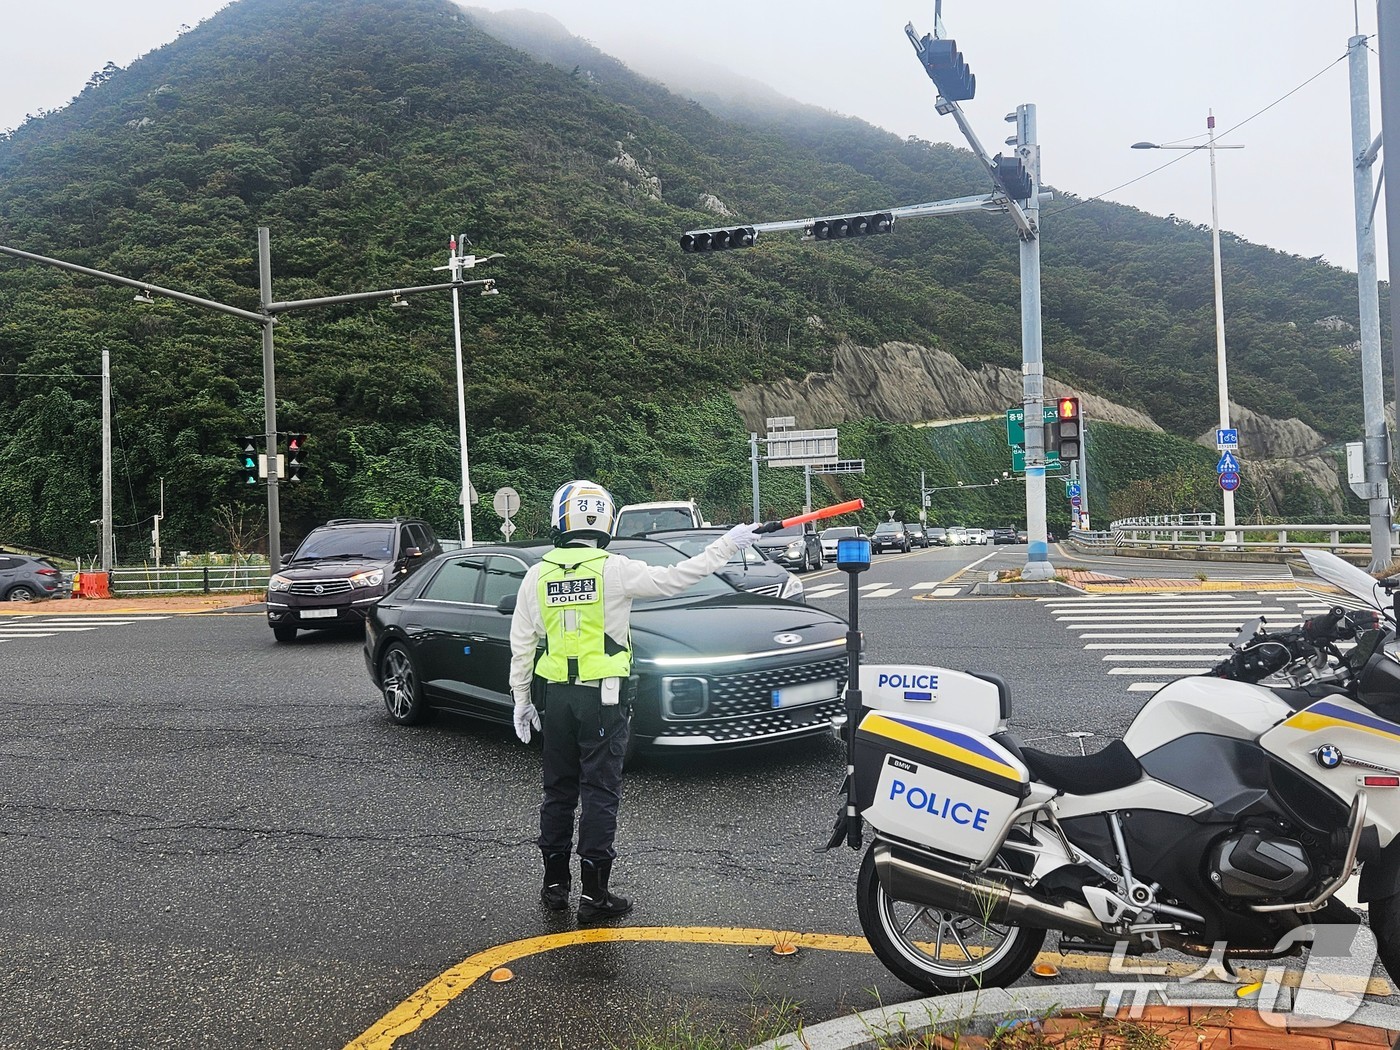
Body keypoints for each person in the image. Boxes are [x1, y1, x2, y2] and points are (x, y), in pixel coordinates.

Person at [509, 480, 761, 923]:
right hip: (603, 701)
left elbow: (522, 645)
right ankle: (594, 894)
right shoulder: (615, 569)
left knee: (558, 792)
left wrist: (521, 700)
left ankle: (554, 887)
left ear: (559, 518)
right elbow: (676, 579)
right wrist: (723, 545)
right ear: (604, 519)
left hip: (556, 701)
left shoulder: (537, 574)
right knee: (599, 791)